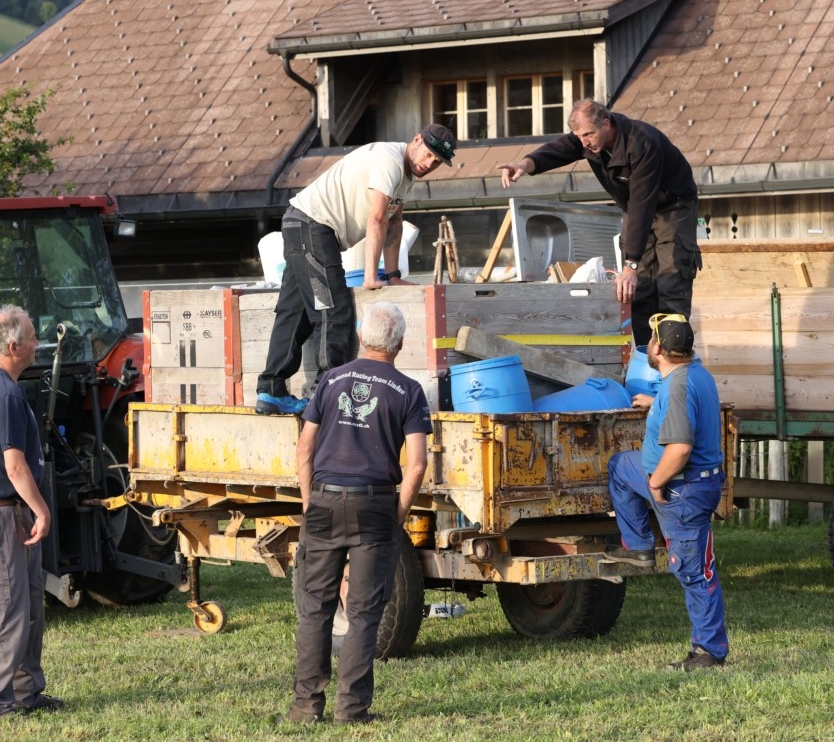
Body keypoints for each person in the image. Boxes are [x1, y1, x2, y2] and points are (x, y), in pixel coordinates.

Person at [288, 301, 432, 724]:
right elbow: (417, 465)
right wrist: (397, 515)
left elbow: (304, 449)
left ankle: (305, 708)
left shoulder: (331, 380)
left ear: (359, 337)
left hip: (324, 499)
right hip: (375, 504)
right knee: (365, 614)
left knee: (315, 609)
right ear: (399, 344)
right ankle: (351, 710)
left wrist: (310, 504)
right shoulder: (409, 391)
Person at [256, 124, 457, 416]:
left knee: (295, 312)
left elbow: (394, 222)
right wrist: (371, 276)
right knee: (334, 311)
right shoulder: (390, 161)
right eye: (428, 155)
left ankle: (271, 391)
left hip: (302, 224)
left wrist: (393, 277)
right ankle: (326, 397)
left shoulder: (406, 172)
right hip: (312, 225)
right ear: (416, 140)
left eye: (436, 162)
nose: (429, 164)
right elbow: (377, 219)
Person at [495, 99, 700, 346]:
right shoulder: (588, 139)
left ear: (606, 124)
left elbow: (642, 203)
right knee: (637, 290)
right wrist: (524, 165)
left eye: (588, 135)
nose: (583, 143)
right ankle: (647, 356)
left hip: (673, 207)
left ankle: (674, 355)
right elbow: (556, 151)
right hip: (635, 208)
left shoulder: (643, 142)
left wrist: (630, 265)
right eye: (579, 137)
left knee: (671, 279)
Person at [601, 313, 728, 671]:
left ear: (657, 349)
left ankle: (708, 652)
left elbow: (680, 449)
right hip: (696, 482)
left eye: (652, 340)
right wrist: (654, 402)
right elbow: (680, 397)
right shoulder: (696, 374)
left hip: (682, 488)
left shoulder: (677, 389)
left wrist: (656, 482)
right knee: (620, 466)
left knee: (694, 572)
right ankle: (638, 545)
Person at [0, 305, 64, 717]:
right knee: (8, 610)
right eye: (33, 337)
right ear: (13, 346)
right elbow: (15, 466)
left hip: (1, 513)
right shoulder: (3, 393)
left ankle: (25, 692)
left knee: (29, 606)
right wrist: (42, 511)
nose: (38, 343)